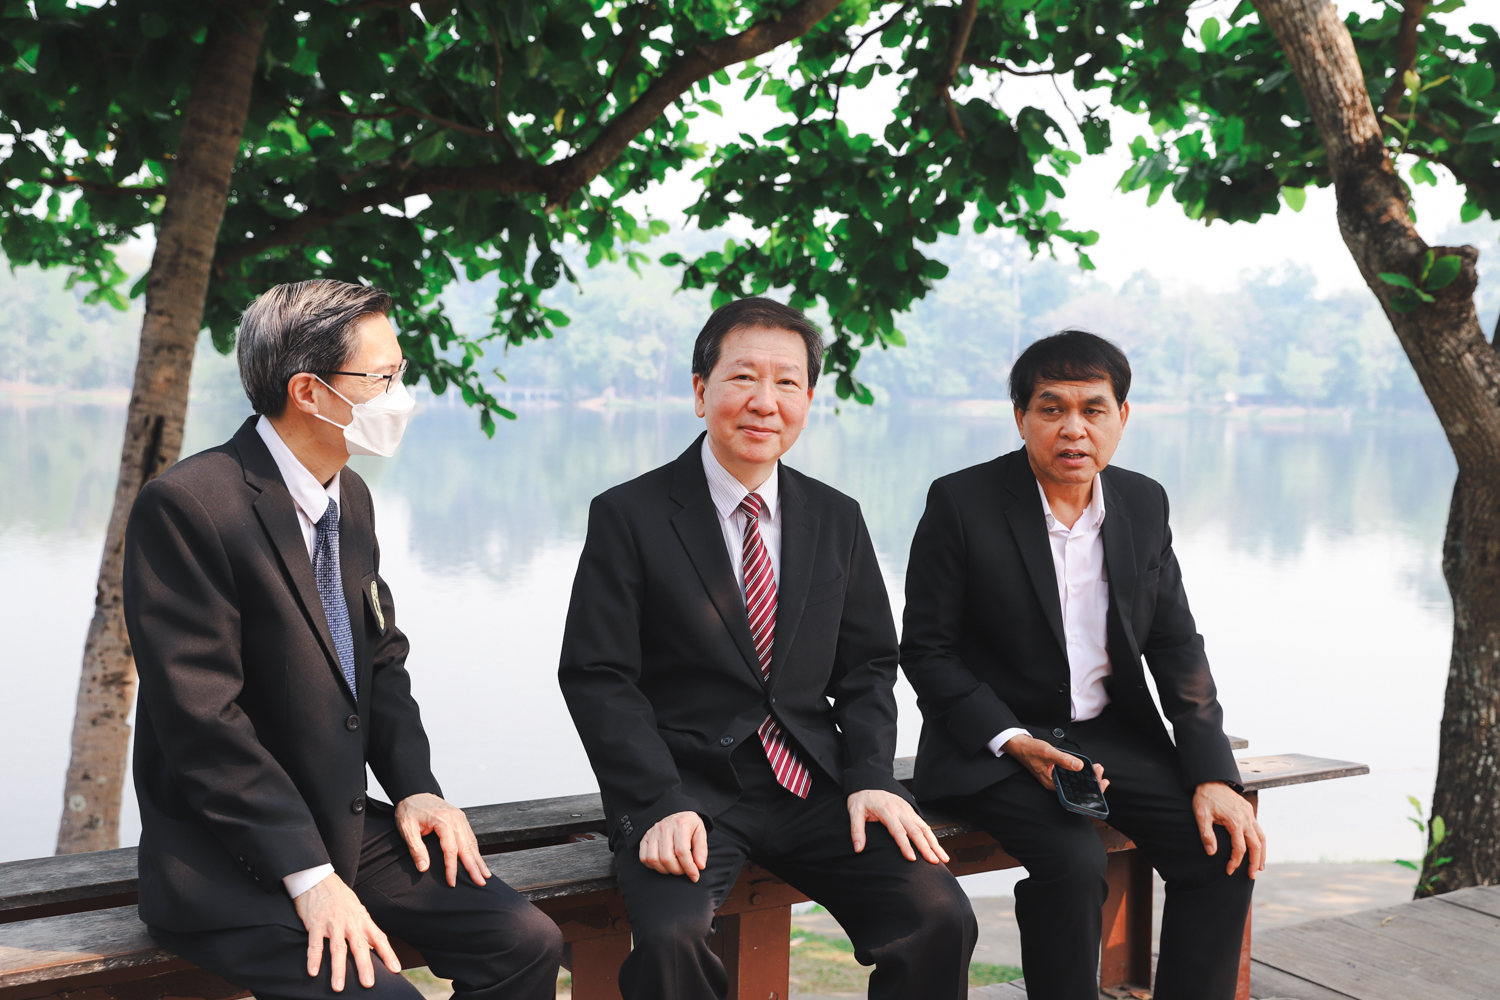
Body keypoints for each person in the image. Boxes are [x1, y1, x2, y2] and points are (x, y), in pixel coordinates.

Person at [123, 280, 562, 1000]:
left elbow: (379, 660)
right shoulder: (189, 506)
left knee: (524, 941)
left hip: (343, 825)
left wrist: (416, 786)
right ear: (308, 391)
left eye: (400, 373)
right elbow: (202, 722)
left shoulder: (347, 496)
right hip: (227, 856)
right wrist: (312, 878)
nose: (400, 396)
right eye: (381, 378)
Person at [558, 296, 976, 1000]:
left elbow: (869, 666)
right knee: (671, 943)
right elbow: (598, 675)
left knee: (937, 916)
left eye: (787, 382)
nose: (764, 401)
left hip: (814, 782)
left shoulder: (836, 516)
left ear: (808, 400)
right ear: (701, 392)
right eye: (743, 377)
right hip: (686, 789)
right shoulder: (629, 515)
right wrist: (655, 802)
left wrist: (872, 775)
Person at [900, 330, 1264, 1000]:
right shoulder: (961, 503)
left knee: (1224, 853)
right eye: (1052, 409)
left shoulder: (1143, 503)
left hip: (1109, 737)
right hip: (995, 746)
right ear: (1021, 417)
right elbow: (926, 650)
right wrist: (1014, 739)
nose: (1074, 429)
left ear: (1122, 416)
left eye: (1093, 409)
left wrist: (1214, 774)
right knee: (1074, 862)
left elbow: (1176, 645)